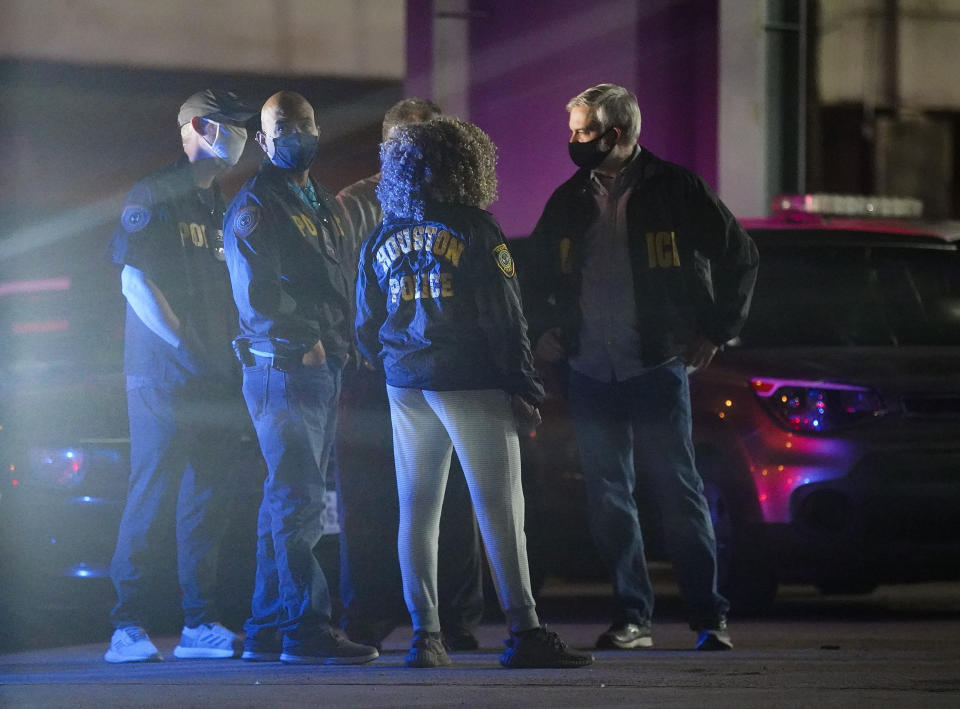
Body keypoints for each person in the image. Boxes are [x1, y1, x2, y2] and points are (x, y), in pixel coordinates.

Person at [526, 83, 759, 651]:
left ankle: (709, 617)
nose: (574, 141)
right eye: (574, 129)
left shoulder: (674, 189)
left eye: (585, 131)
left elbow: (739, 254)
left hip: (653, 366)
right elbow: (534, 273)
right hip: (589, 370)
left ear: (618, 134)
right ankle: (633, 617)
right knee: (608, 497)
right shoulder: (570, 198)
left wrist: (715, 331)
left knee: (678, 491)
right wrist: (545, 331)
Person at [356, 116, 594, 669]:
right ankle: (526, 630)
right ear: (465, 165)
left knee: (416, 510)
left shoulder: (382, 232)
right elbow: (504, 316)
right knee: (500, 508)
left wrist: (394, 363)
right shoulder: (476, 229)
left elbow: (366, 322)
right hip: (470, 381)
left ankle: (425, 636)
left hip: (405, 384)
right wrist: (524, 384)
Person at [222, 91, 378, 665]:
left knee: (283, 501)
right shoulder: (257, 203)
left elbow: (334, 277)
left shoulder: (317, 200)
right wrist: (305, 341)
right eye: (283, 126)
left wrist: (342, 341)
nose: (297, 133)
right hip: (284, 368)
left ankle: (266, 627)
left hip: (321, 364)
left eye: (305, 123)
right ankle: (306, 630)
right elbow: (258, 293)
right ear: (264, 139)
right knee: (299, 501)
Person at [105, 89, 256, 663]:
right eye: (228, 125)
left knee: (206, 500)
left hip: (212, 375)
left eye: (244, 127)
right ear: (195, 128)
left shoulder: (219, 202)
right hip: (163, 376)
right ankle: (127, 626)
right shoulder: (157, 192)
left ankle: (199, 625)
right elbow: (135, 282)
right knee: (152, 494)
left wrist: (222, 357)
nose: (239, 136)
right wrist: (185, 349)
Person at [334, 98, 484, 652]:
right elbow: (338, 289)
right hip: (371, 374)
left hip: (443, 370)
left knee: (453, 500)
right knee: (369, 499)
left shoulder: (459, 205)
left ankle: (457, 619)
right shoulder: (353, 205)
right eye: (410, 143)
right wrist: (356, 349)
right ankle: (369, 615)